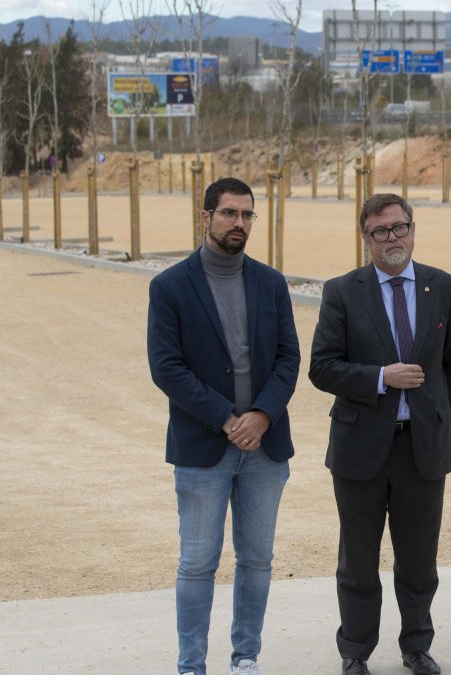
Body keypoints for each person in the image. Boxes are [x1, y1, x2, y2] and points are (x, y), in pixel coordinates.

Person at [309, 193, 451, 675]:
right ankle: (355, 651)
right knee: (358, 561)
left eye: (399, 228)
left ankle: (416, 645)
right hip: (360, 448)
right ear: (366, 240)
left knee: (419, 559)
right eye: (380, 232)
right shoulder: (342, 291)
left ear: (413, 230)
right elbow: (322, 367)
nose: (392, 239)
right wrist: (382, 377)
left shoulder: (443, 287)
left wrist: (438, 417)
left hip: (423, 448)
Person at [147, 177, 300, 675]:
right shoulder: (169, 286)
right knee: (197, 564)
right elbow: (167, 367)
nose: (239, 223)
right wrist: (228, 420)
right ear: (206, 216)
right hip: (202, 448)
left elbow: (287, 358)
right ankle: (191, 664)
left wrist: (261, 416)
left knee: (256, 560)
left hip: (266, 447)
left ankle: (245, 658)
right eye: (230, 213)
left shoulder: (271, 283)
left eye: (247, 215)